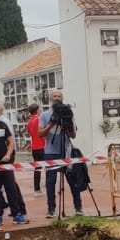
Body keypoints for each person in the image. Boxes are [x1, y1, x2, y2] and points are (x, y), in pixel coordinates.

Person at [39, 89, 82, 218]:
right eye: (54, 96)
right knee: (50, 182)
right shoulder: (45, 115)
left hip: (67, 151)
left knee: (72, 180)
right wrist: (52, 124)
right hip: (51, 152)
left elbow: (73, 135)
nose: (56, 97)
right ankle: (51, 209)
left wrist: (68, 125)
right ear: (50, 99)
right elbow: (40, 134)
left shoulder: (68, 113)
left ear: (62, 99)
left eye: (59, 96)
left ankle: (78, 207)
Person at [25, 102, 45, 193]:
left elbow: (30, 133)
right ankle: (48, 185)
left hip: (34, 147)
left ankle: (37, 187)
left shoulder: (29, 121)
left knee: (37, 168)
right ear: (37, 110)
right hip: (42, 146)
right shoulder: (38, 119)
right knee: (48, 166)